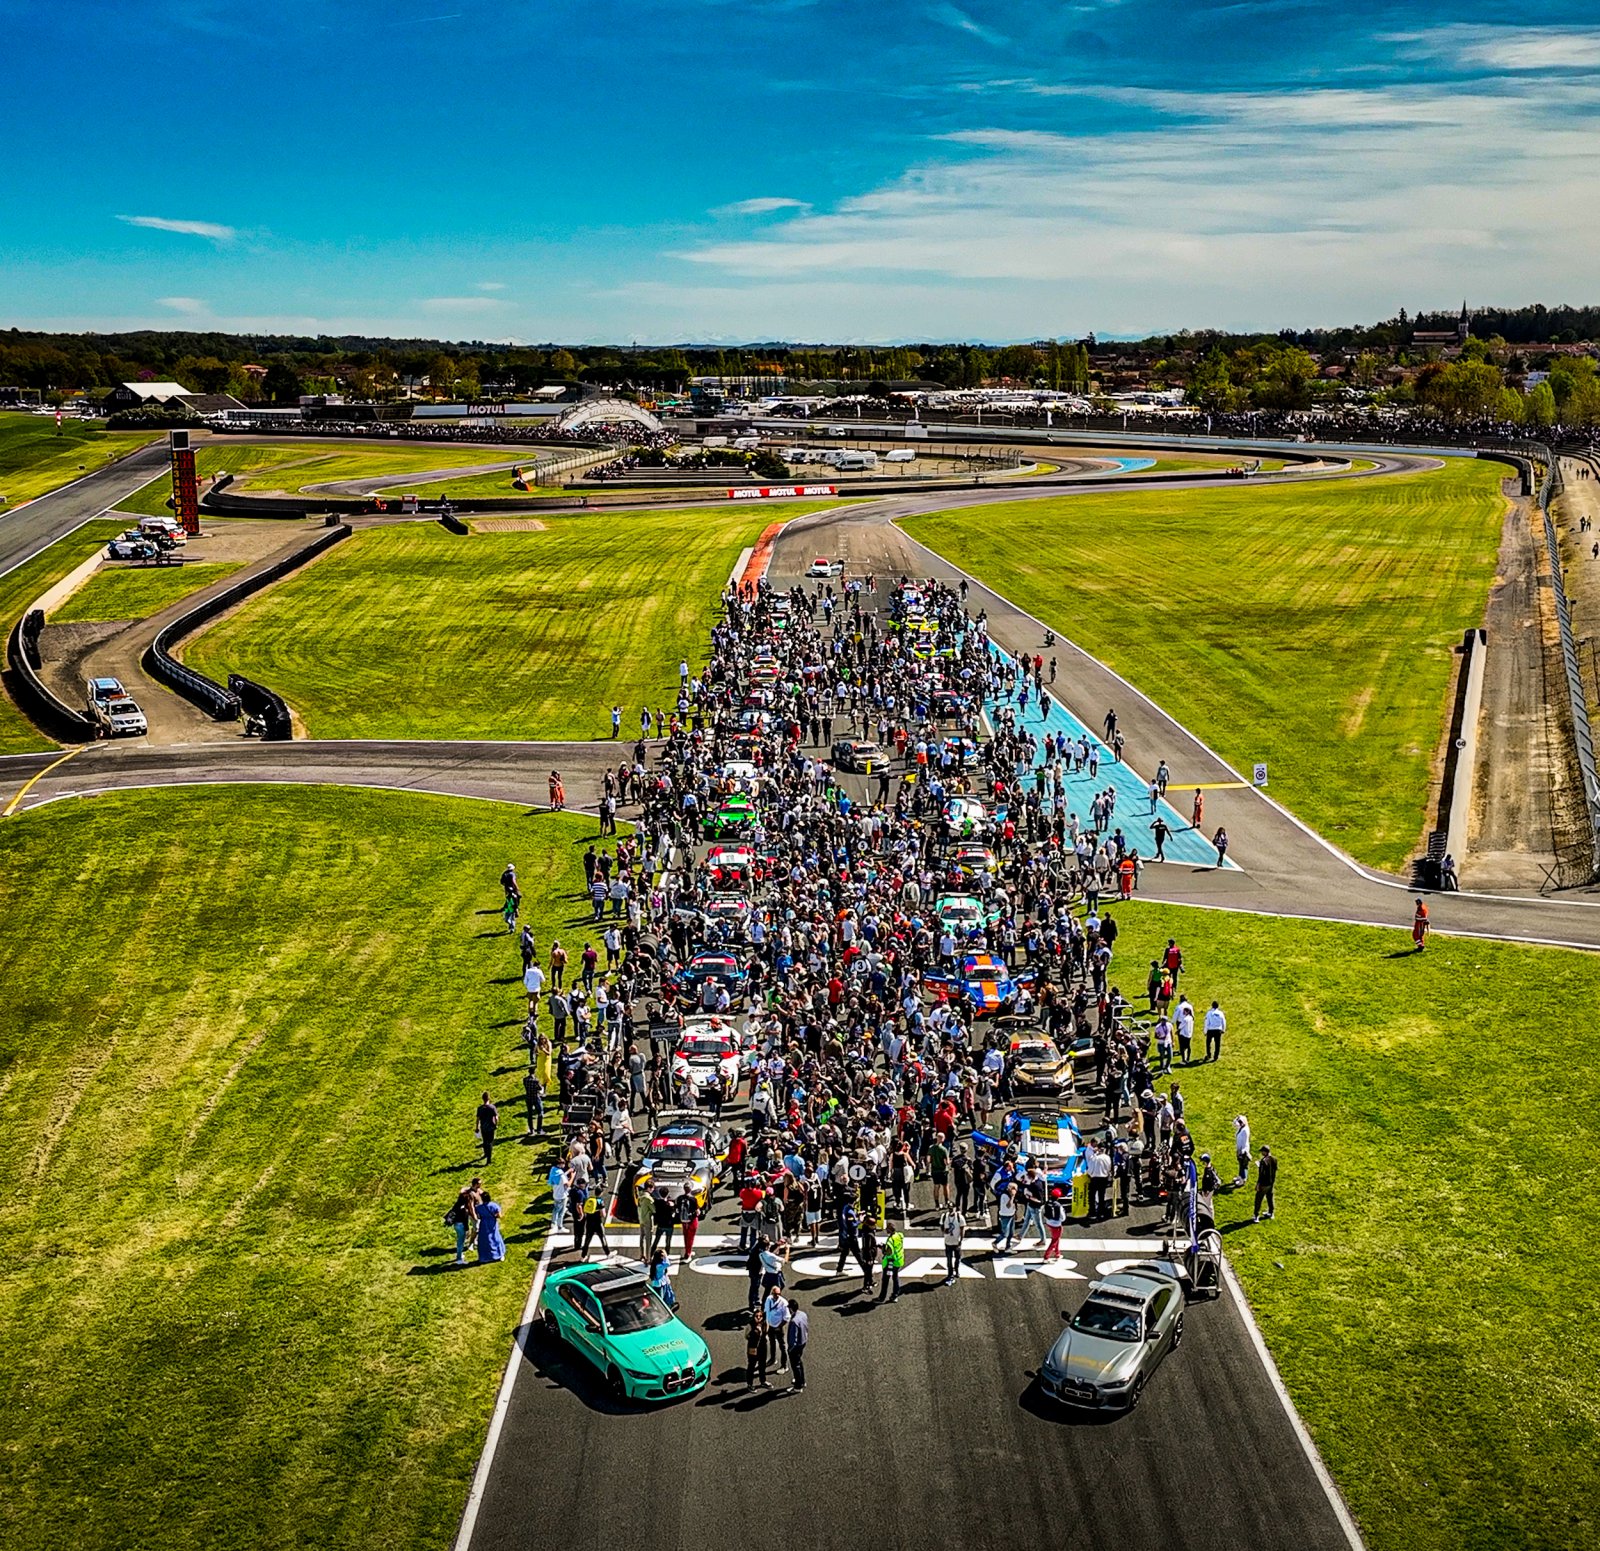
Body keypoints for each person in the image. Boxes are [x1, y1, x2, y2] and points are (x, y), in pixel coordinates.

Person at [445, 1179, 481, 1266]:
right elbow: (464, 1221)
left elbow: (462, 1190)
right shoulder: (464, 1210)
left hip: (457, 1224)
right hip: (460, 1225)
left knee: (460, 1240)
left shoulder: (458, 1205)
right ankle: (459, 1259)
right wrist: (467, 1230)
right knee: (461, 1241)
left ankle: (460, 1255)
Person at [786, 1298, 809, 1392]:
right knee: (799, 1362)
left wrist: (790, 1349)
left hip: (796, 1346)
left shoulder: (794, 1321)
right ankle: (801, 1380)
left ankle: (798, 1386)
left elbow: (793, 1338)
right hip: (803, 1341)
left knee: (795, 1365)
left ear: (791, 1309)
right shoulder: (802, 1314)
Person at [476, 1191, 506, 1263]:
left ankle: (485, 1257)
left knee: (485, 1240)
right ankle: (499, 1254)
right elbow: (499, 1215)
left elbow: (478, 1216)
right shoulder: (494, 1205)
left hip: (483, 1224)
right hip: (492, 1223)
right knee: (495, 1238)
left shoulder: (479, 1207)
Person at [878, 1226, 905, 1302]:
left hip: (890, 1262)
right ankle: (895, 1295)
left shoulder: (890, 1240)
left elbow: (889, 1252)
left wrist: (883, 1248)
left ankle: (881, 1297)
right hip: (898, 1260)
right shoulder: (899, 1235)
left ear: (889, 1230)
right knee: (895, 1277)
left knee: (885, 1280)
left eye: (887, 1229)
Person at [941, 1204, 966, 1284]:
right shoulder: (944, 1216)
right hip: (948, 1242)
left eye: (952, 1208)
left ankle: (956, 1269)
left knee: (957, 1258)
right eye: (950, 1208)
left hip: (956, 1242)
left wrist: (961, 1239)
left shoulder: (959, 1217)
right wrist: (945, 1231)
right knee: (949, 1259)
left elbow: (962, 1229)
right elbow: (941, 1226)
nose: (951, 1210)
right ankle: (950, 1274)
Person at [745, 1307, 769, 1390]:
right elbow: (747, 1336)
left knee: (762, 1365)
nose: (758, 1318)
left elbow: (766, 1333)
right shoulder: (750, 1325)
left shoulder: (765, 1323)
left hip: (762, 1347)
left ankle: (763, 1381)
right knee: (751, 1366)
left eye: (760, 1316)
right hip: (753, 1348)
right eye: (756, 1316)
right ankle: (750, 1384)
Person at [1253, 1145, 1278, 1221]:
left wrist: (1258, 1184)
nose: (1261, 1153)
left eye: (1262, 1151)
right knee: (1270, 1198)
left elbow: (1261, 1174)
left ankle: (1256, 1216)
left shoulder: (1263, 1161)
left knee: (1258, 1199)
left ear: (1265, 1152)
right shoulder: (1274, 1159)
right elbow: (1275, 1169)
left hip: (1264, 1184)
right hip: (1271, 1183)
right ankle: (1271, 1212)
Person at [475, 1091, 499, 1164]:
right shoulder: (492, 1107)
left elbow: (478, 1119)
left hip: (483, 1127)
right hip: (491, 1127)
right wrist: (496, 1124)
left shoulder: (480, 1108)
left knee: (485, 1141)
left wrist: (477, 1127)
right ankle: (489, 1158)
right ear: (489, 1098)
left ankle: (485, 1153)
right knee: (490, 1142)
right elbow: (496, 1117)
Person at [523, 1067, 544, 1137]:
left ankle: (531, 1129)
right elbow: (540, 1088)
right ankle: (539, 1129)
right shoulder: (536, 1080)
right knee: (540, 1113)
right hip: (535, 1097)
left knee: (530, 1114)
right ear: (534, 1072)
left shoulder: (525, 1080)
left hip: (528, 1097)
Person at [1233, 1114, 1252, 1187]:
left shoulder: (1245, 1131)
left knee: (1243, 1165)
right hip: (1240, 1149)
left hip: (1243, 1151)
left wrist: (1240, 1152)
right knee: (1241, 1165)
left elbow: (1243, 1143)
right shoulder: (1241, 1128)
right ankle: (1240, 1177)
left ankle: (1243, 1179)